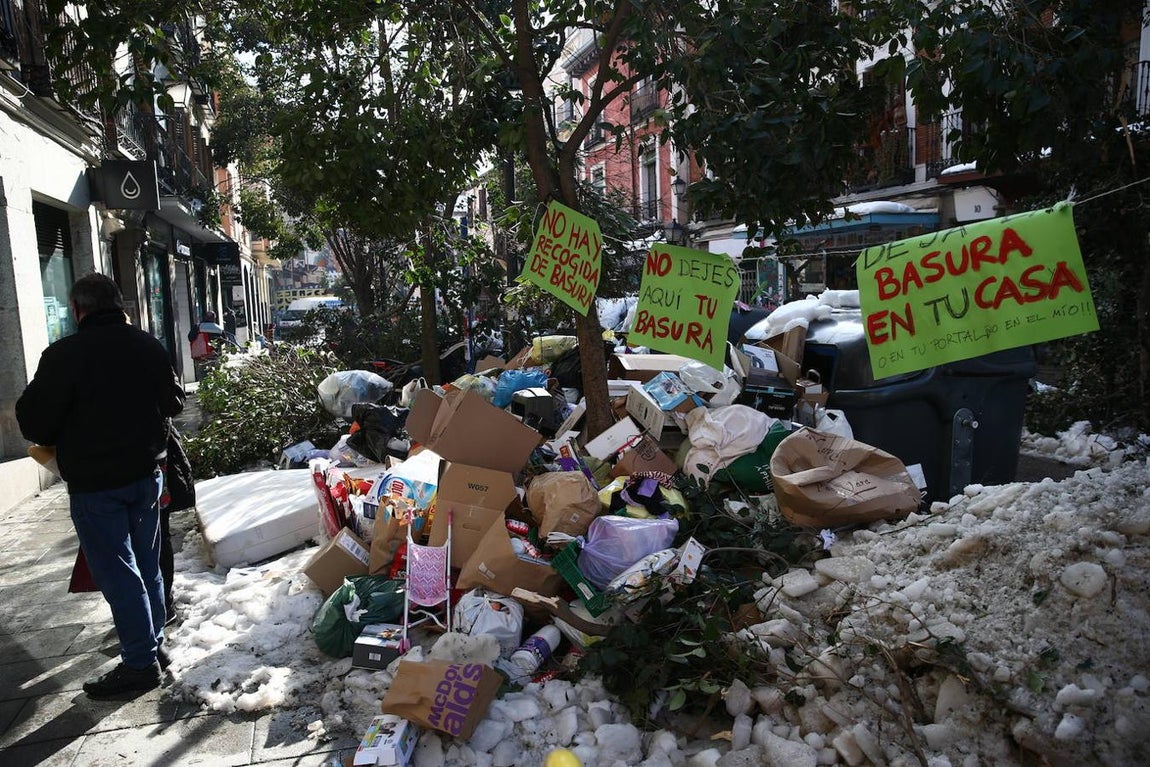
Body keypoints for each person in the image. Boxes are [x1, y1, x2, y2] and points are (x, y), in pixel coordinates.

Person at [16, 272, 185, 698]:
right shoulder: (146, 345)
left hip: (95, 484)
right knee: (146, 565)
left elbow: (34, 421)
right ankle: (152, 644)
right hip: (145, 475)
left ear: (78, 310)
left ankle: (140, 663)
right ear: (120, 305)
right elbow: (174, 402)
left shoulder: (63, 355)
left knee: (118, 572)